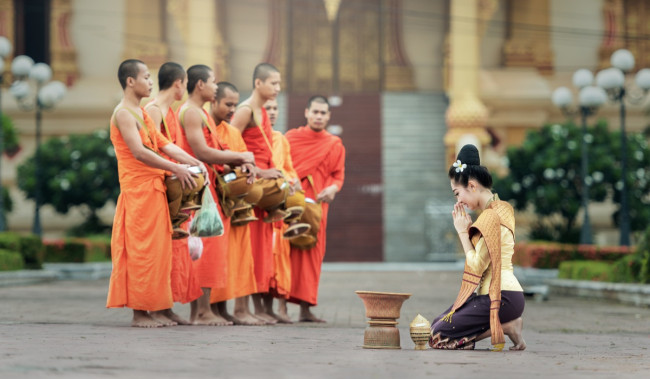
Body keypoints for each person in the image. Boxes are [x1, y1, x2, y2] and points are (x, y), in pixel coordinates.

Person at [106, 59, 205, 327]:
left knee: (159, 252)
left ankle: (158, 307)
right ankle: (140, 313)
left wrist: (195, 163)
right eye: (146, 77)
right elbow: (139, 152)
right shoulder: (123, 113)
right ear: (130, 81)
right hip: (138, 192)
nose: (151, 82)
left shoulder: (142, 113)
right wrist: (176, 168)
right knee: (142, 252)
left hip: (155, 189)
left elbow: (165, 145)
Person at [177, 64, 255, 326]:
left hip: (208, 187)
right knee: (203, 248)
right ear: (200, 85)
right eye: (212, 82)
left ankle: (202, 310)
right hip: (198, 191)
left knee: (208, 249)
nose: (215, 87)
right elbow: (202, 152)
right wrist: (240, 156)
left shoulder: (200, 113)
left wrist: (237, 164)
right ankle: (200, 312)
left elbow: (214, 152)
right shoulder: (190, 112)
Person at [429, 144, 526, 351]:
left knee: (438, 336)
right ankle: (505, 324)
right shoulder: (501, 209)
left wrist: (463, 232)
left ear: (472, 186)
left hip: (502, 296)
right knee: (436, 325)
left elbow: (476, 265)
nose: (459, 201)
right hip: (502, 295)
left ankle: (506, 326)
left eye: (457, 193)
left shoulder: (492, 216)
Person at [144, 62, 203, 326]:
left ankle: (166, 306)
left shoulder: (170, 111)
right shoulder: (153, 110)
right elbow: (153, 151)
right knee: (158, 252)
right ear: (179, 83)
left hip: (173, 185)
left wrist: (193, 164)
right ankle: (154, 308)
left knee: (174, 252)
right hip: (157, 186)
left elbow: (170, 147)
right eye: (185, 83)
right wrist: (177, 169)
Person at [230, 63, 284, 324]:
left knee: (259, 252)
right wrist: (261, 173)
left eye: (279, 83)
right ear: (258, 83)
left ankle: (250, 308)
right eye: (273, 83)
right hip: (249, 188)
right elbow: (229, 146)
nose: (278, 88)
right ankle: (240, 309)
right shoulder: (244, 110)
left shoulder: (261, 111)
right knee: (245, 250)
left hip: (262, 192)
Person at [208, 82, 265, 326]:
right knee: (216, 256)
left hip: (237, 204)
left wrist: (249, 168)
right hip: (215, 200)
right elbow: (204, 156)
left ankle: (235, 309)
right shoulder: (206, 127)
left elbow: (243, 155)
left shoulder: (231, 132)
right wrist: (234, 164)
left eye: (235, 104)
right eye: (228, 104)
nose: (233, 109)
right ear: (213, 101)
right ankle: (215, 309)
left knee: (240, 258)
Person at [285, 96, 345, 322]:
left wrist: (333, 189)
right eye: (315, 112)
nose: (319, 116)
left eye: (323, 113)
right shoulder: (291, 138)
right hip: (293, 203)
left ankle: (305, 308)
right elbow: (281, 166)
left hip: (318, 206)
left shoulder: (334, 143)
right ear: (306, 112)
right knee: (287, 251)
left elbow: (338, 175)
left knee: (313, 254)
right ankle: (281, 307)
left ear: (329, 116)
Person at [264, 98, 298, 323]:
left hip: (281, 207)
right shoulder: (252, 136)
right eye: (268, 108)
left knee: (283, 260)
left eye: (275, 108)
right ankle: (264, 308)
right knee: (265, 259)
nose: (272, 112)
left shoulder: (280, 139)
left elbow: (288, 168)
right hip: (263, 206)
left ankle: (282, 309)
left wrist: (292, 180)